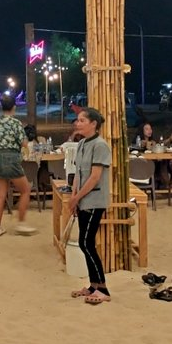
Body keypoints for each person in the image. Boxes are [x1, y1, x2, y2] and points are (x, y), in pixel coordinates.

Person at [67, 108, 111, 306]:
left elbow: (94, 177)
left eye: (82, 120)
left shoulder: (101, 145)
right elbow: (78, 173)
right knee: (85, 243)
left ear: (93, 123)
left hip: (95, 200)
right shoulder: (82, 143)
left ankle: (103, 288)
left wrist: (77, 198)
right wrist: (74, 196)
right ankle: (93, 285)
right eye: (78, 120)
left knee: (86, 243)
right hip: (83, 199)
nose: (78, 123)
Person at [0, 95, 35, 236]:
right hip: (12, 158)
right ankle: (21, 223)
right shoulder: (16, 123)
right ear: (14, 107)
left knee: (0, 195)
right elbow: (23, 143)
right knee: (25, 190)